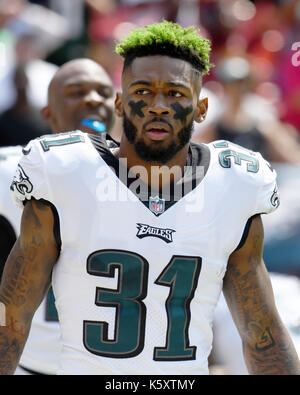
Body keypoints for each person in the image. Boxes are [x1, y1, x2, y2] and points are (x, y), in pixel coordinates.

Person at [1, 20, 300, 375]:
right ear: (120, 102)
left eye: (175, 93)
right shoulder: (64, 171)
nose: (158, 106)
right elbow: (12, 320)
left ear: (202, 108)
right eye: (142, 91)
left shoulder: (234, 184)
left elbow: (261, 332)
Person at [0, 57, 115, 375]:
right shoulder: (12, 169)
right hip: (28, 365)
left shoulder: (145, 179)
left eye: (103, 92)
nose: (92, 99)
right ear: (48, 113)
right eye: (76, 92)